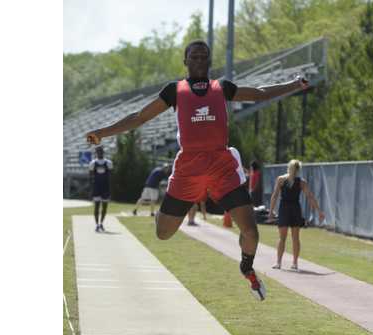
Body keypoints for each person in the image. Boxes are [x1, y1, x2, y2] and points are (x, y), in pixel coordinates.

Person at [86, 40, 309, 300]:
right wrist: (102, 133)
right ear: (186, 61)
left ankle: (246, 267)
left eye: (204, 56)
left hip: (221, 166)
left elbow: (259, 93)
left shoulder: (221, 87)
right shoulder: (174, 90)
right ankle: (164, 208)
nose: (200, 59)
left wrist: (294, 84)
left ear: (209, 61)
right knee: (163, 233)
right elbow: (139, 117)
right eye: (195, 56)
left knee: (251, 232)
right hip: (189, 168)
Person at [267, 159, 325, 270]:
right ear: (298, 170)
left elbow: (274, 196)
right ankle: (294, 263)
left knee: (282, 238)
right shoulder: (301, 182)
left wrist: (270, 212)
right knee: (295, 238)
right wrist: (319, 212)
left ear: (289, 167)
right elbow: (310, 197)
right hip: (295, 209)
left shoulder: (281, 179)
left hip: (284, 209)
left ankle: (278, 263)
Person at [88, 146, 113, 232]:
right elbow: (90, 178)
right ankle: (97, 224)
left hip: (105, 188)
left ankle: (101, 223)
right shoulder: (92, 163)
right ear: (96, 153)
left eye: (101, 151)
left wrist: (110, 190)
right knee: (96, 206)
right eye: (98, 151)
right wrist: (91, 190)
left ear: (103, 152)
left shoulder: (108, 163)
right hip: (96, 188)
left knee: (105, 207)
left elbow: (110, 177)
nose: (100, 153)